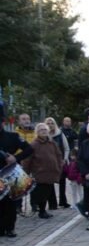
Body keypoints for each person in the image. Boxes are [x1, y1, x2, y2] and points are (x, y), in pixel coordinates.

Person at [0, 98, 33, 237]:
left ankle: (10, 227)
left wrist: (16, 158)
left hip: (9, 173)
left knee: (9, 202)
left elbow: (29, 149)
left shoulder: (12, 136)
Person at [22, 123, 64, 219]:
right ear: (37, 132)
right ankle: (41, 210)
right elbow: (27, 159)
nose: (44, 131)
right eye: (41, 130)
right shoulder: (34, 145)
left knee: (47, 191)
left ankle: (42, 209)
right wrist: (26, 172)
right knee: (41, 193)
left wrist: (59, 166)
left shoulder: (52, 143)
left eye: (45, 129)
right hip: (39, 173)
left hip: (51, 173)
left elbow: (58, 155)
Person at [45, 117, 71, 209]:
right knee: (50, 183)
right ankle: (52, 204)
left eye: (52, 123)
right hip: (48, 163)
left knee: (62, 182)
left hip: (60, 162)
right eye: (48, 123)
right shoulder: (44, 136)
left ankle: (63, 201)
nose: (50, 125)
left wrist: (65, 159)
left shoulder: (60, 134)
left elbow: (66, 148)